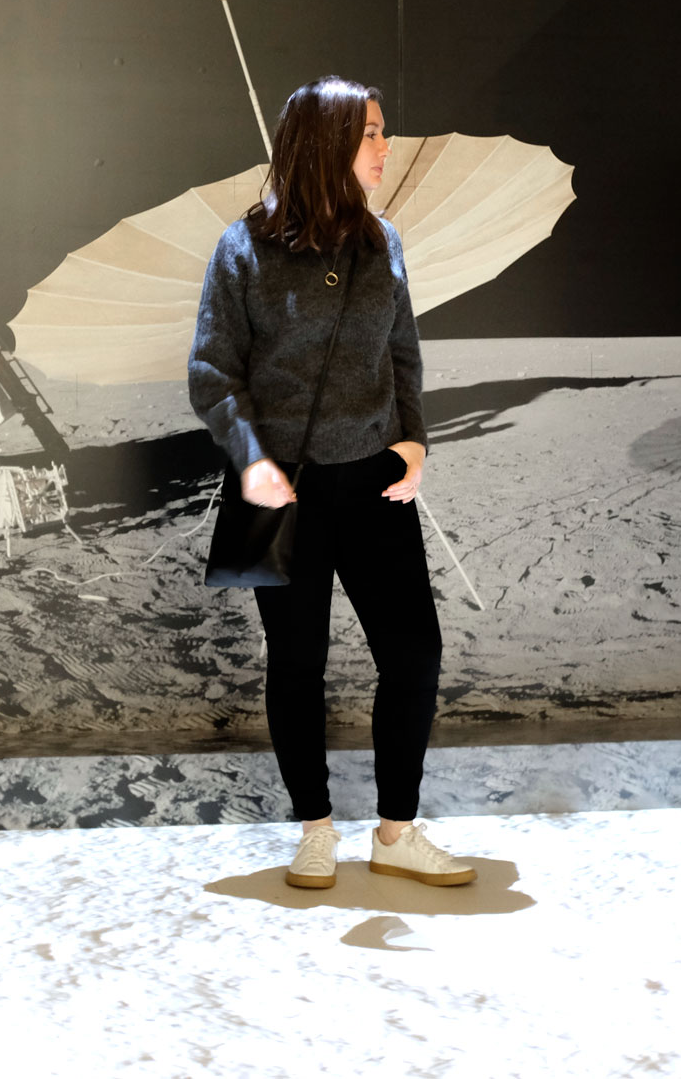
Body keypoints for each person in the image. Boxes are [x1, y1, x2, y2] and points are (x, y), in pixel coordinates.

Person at [189, 76, 474, 890]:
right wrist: (252, 459)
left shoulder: (384, 242)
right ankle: (315, 830)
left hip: (377, 485)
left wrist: (413, 440)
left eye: (384, 132)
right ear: (327, 143)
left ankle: (395, 831)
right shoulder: (242, 249)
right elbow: (213, 372)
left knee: (415, 654)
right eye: (372, 134)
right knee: (298, 662)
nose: (387, 149)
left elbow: (404, 354)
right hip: (287, 494)